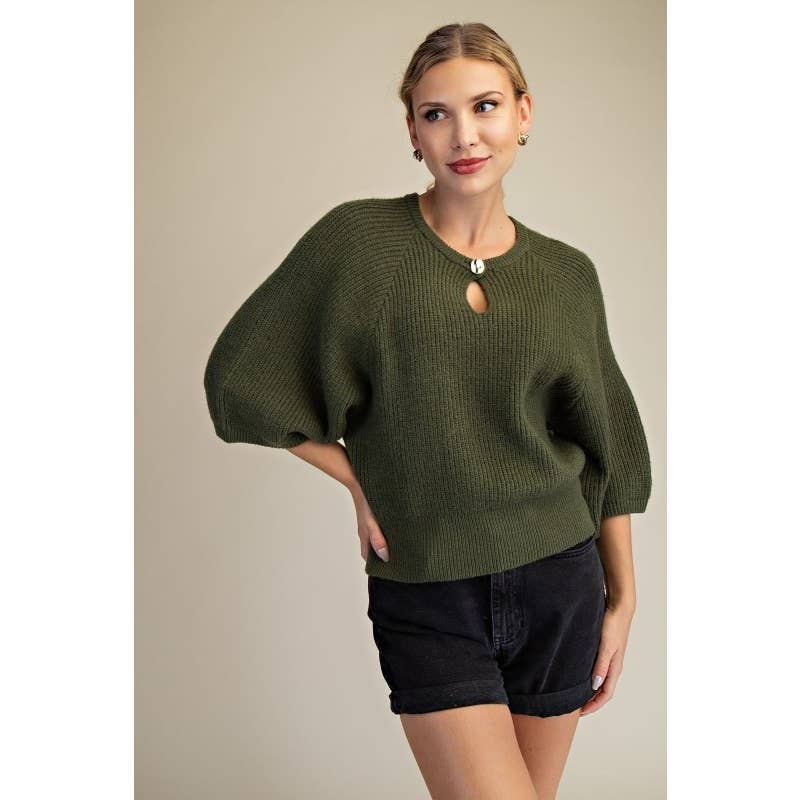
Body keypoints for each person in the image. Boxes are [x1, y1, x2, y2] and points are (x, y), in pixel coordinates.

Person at [203, 21, 652, 800]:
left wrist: (625, 598)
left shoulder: (566, 275)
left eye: (485, 106)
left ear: (523, 112)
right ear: (412, 131)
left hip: (560, 581)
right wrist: (357, 478)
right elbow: (240, 380)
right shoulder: (360, 244)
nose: (464, 135)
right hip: (429, 586)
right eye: (436, 113)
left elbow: (606, 444)